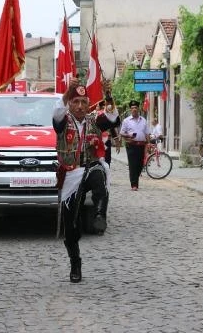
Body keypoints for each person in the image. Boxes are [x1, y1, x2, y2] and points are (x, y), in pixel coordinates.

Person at [53, 78, 119, 283]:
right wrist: (67, 92)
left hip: (90, 168)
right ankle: (75, 262)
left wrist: (108, 95)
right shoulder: (63, 121)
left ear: (88, 103)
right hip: (71, 174)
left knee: (99, 174)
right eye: (76, 101)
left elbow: (112, 117)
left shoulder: (94, 120)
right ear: (70, 104)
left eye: (83, 101)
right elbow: (56, 113)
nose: (80, 106)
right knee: (71, 227)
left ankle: (100, 215)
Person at [119, 100, 150, 191]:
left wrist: (148, 144)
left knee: (140, 165)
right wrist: (129, 135)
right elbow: (121, 133)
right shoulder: (126, 121)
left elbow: (147, 133)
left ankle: (135, 178)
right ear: (130, 110)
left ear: (138, 109)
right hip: (131, 145)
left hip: (141, 145)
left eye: (136, 108)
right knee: (132, 165)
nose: (134, 110)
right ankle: (134, 184)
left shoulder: (143, 120)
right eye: (132, 108)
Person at [96, 100, 121, 166]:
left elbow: (112, 128)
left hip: (106, 141)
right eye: (103, 106)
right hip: (96, 141)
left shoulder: (109, 116)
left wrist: (117, 142)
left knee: (107, 160)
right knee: (97, 161)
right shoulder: (96, 115)